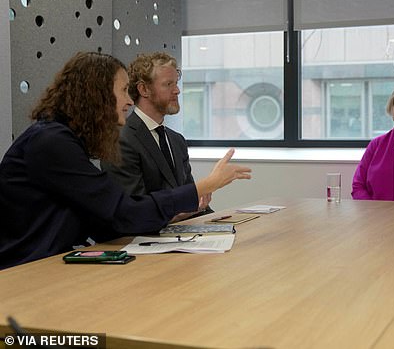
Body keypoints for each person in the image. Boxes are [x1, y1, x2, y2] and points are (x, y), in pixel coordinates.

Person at [0, 52, 251, 270]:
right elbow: (123, 212)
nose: (129, 101)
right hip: (21, 274)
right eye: (122, 90)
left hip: (45, 266)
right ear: (96, 94)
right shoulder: (51, 142)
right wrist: (205, 186)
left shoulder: (60, 140)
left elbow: (106, 219)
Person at [101, 52, 210, 221]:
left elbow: (192, 198)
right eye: (168, 84)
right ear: (144, 89)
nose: (177, 90)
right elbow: (135, 213)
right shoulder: (121, 141)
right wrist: (193, 206)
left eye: (176, 83)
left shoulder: (177, 140)